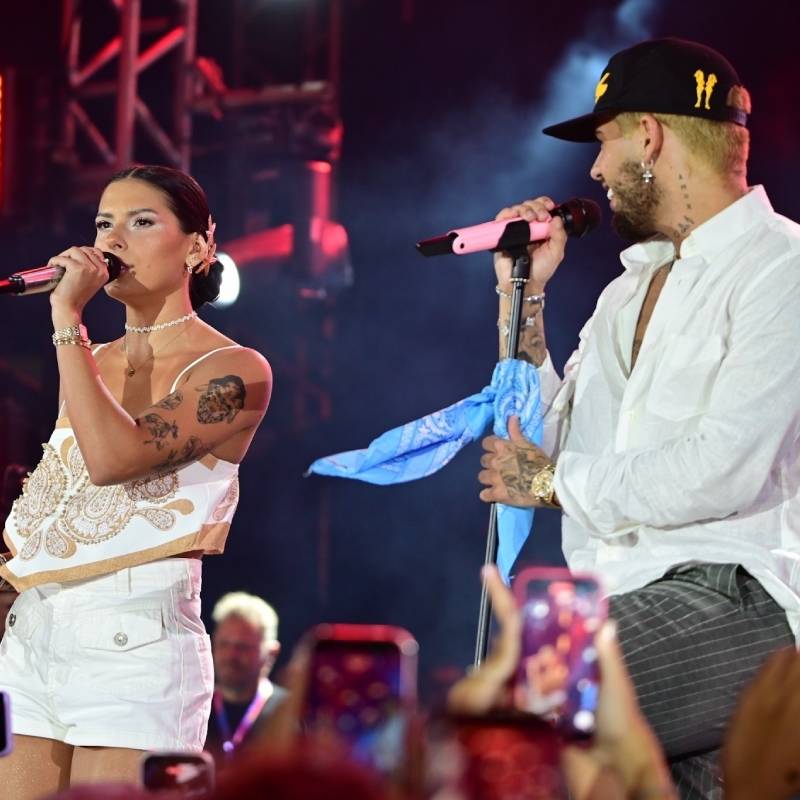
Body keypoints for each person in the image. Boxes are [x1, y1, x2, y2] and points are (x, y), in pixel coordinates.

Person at [476, 38, 800, 799]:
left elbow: (721, 468)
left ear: (649, 136)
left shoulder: (781, 267)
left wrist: (551, 482)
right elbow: (547, 443)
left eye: (605, 141)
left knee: (520, 707)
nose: (594, 171)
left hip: (739, 593)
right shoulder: (626, 291)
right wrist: (524, 297)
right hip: (620, 593)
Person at [0, 164, 272, 798]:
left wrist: (66, 317)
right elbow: (62, 493)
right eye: (103, 224)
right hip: (35, 630)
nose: (112, 240)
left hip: (134, 641)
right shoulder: (91, 360)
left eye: (141, 222)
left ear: (198, 246)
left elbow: (114, 461)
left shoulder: (236, 369)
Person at [205, 591, 287, 765]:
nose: (231, 656)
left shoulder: (291, 712)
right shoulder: (191, 710)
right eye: (224, 644)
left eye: (243, 647)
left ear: (272, 653)